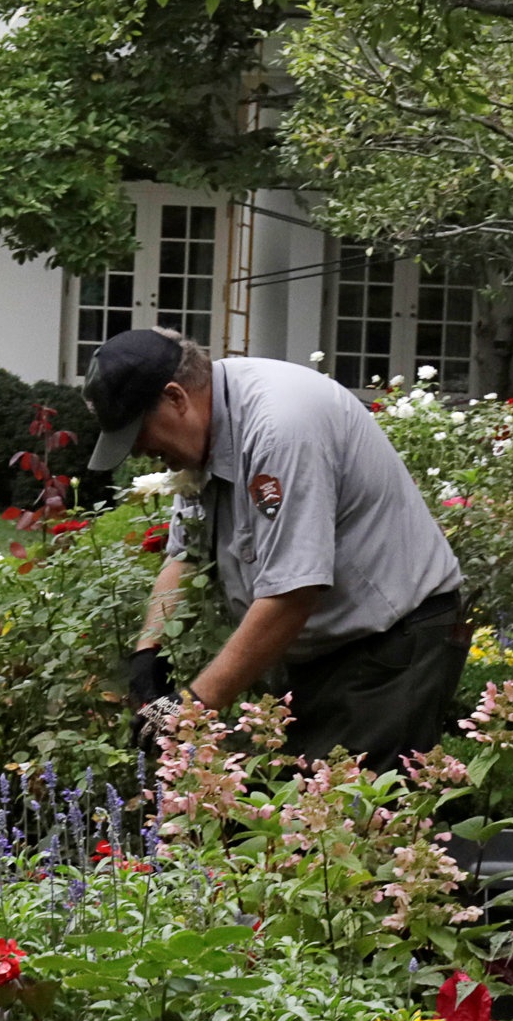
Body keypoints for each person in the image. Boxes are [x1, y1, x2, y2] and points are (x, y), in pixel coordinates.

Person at [83, 328, 469, 766]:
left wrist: (189, 709)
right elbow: (184, 553)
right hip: (320, 650)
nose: (139, 449)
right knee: (299, 820)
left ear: (175, 398)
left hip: (391, 646)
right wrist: (146, 653)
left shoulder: (280, 429)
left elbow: (292, 596)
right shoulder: (205, 429)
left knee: (360, 820)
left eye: (138, 431)